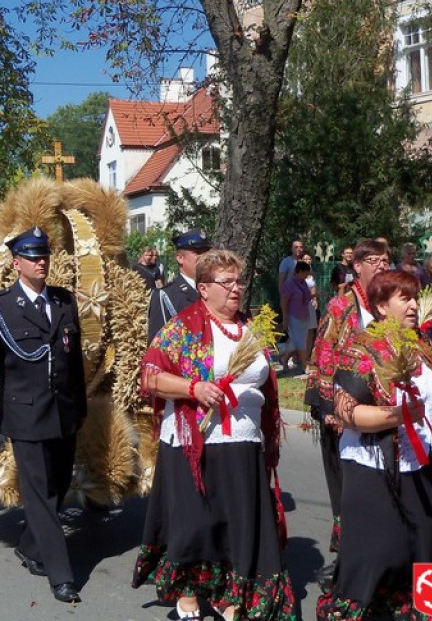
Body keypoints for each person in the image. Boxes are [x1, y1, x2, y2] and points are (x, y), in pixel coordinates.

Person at [133, 249, 294, 621]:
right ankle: (189, 588)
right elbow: (150, 377)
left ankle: (230, 592)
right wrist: (194, 389)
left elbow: (265, 383)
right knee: (197, 521)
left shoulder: (251, 327)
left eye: (238, 282)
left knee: (237, 521)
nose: (236, 289)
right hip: (196, 441)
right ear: (204, 289)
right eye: (227, 283)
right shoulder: (184, 326)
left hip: (244, 440)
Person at [0, 227, 86, 603]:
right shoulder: (1, 307)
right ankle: (62, 574)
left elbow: (73, 365)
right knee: (40, 494)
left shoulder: (63, 301)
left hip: (64, 414)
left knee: (56, 488)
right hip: (26, 418)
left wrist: (81, 410)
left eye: (44, 256)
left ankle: (29, 546)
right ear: (16, 263)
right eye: (32, 257)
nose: (41, 262)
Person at [316, 270, 432, 620]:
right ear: (381, 306)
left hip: (424, 467)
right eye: (404, 299)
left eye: (415, 297)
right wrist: (398, 416)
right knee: (380, 558)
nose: (413, 305)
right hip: (375, 470)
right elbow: (347, 413)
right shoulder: (363, 347)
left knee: (430, 557)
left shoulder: (421, 343)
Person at [306, 238, 389, 563]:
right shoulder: (342, 307)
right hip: (340, 411)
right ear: (357, 266)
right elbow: (323, 356)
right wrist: (329, 410)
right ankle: (351, 563)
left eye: (386, 261)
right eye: (375, 261)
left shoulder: (386, 304)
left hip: (378, 410)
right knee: (349, 491)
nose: (382, 266)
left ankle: (377, 556)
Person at [146, 229, 211, 343]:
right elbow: (156, 351)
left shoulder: (215, 290)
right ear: (180, 258)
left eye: (206, 252)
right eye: (198, 252)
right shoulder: (166, 296)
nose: (205, 257)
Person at [279, 260, 312, 371]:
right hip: (293, 316)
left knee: (295, 342)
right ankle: (304, 366)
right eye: (306, 272)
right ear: (299, 271)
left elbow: (307, 296)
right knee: (301, 342)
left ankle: (284, 360)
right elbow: (284, 301)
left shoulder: (304, 283)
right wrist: (285, 317)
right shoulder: (289, 284)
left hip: (304, 315)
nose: (307, 275)